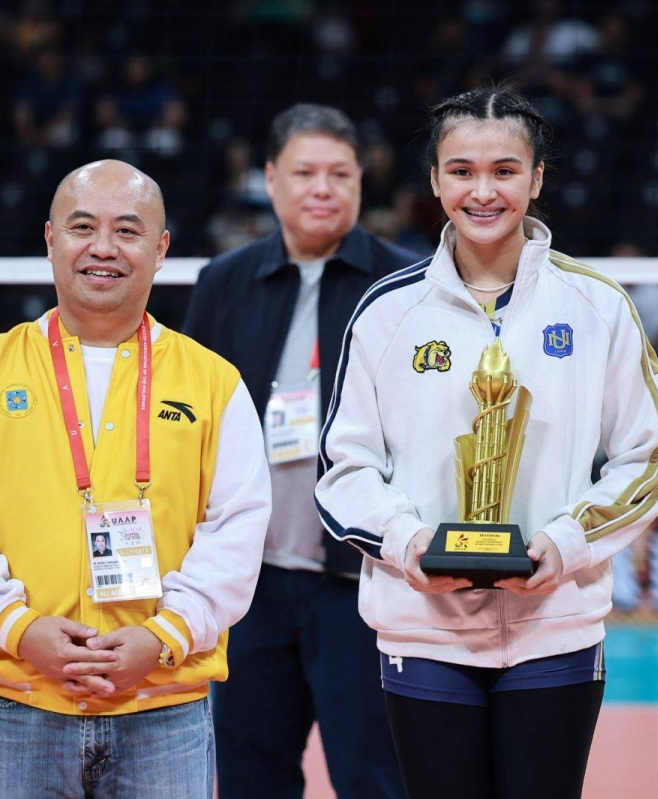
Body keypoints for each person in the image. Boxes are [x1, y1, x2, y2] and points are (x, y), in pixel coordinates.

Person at [315, 85, 658, 799]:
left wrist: (568, 542)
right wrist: (407, 542)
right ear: (434, 180)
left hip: (555, 628)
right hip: (425, 629)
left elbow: (650, 455)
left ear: (537, 179)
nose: (483, 191)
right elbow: (344, 468)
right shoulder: (388, 313)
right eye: (462, 171)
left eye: (505, 171)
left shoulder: (598, 306)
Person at [0, 160, 271, 799]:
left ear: (160, 249)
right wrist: (17, 627)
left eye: (127, 231)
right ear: (50, 239)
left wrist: (165, 637)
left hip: (164, 702)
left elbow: (237, 529)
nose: (103, 248)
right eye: (83, 227)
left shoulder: (214, 382)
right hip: (21, 700)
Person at [184, 103, 415, 799]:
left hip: (359, 582)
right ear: (270, 179)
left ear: (361, 183)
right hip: (249, 581)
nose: (323, 187)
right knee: (251, 773)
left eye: (339, 173)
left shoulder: (406, 286)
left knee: (375, 773)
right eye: (305, 172)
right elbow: (187, 423)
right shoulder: (224, 281)